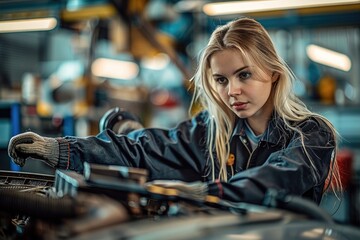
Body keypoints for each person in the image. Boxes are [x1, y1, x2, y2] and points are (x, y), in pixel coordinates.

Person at [8, 17, 341, 205]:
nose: (232, 91)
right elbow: (142, 149)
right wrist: (60, 149)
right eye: (221, 80)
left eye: (244, 75)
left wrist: (204, 193)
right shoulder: (210, 132)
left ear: (273, 73)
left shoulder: (311, 134)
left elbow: (277, 179)